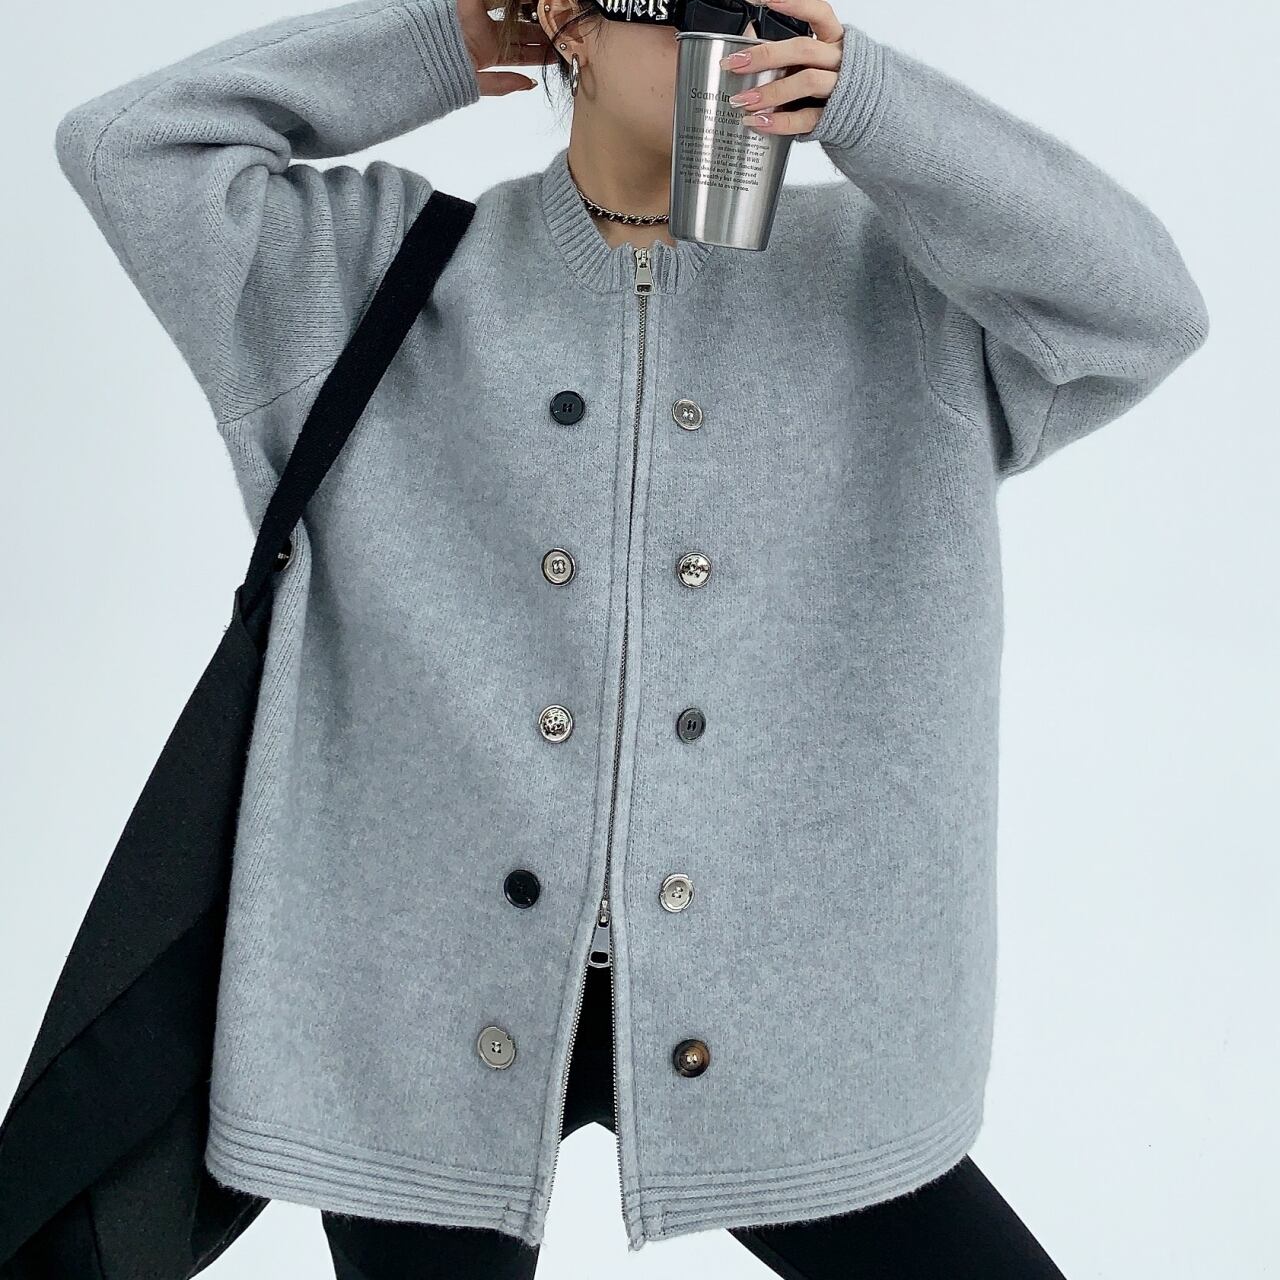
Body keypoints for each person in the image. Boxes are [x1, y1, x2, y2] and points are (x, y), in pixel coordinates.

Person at [50, 0, 1208, 1273]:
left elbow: (1141, 309)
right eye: (691, 8)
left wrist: (874, 105)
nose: (739, 42)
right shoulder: (368, 276)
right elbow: (127, 147)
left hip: (799, 1020)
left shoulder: (905, 291)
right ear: (570, 23)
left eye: (766, 11)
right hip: (420, 1005)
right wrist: (440, 40)